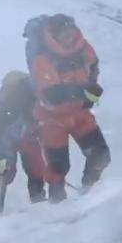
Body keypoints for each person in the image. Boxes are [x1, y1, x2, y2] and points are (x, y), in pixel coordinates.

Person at [25, 14, 109, 203]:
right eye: (64, 32)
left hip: (80, 113)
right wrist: (83, 91)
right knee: (58, 168)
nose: (69, 36)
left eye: (71, 30)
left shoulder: (82, 47)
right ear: (55, 34)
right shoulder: (42, 58)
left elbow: (93, 65)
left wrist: (92, 86)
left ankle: (88, 192)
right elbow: (51, 94)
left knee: (100, 155)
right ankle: (58, 204)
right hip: (51, 119)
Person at [0, 71, 53, 213]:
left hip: (12, 136)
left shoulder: (4, 100)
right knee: (33, 166)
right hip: (18, 135)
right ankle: (38, 198)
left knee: (4, 169)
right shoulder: (24, 99)